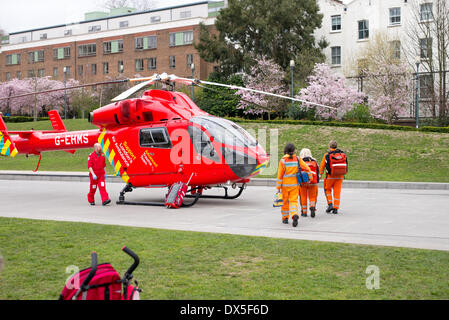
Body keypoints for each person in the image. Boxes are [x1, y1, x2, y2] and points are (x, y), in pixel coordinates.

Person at [276, 143, 313, 227]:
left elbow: (280, 175)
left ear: (285, 150)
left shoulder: (283, 160)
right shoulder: (297, 159)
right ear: (293, 150)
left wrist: (278, 187)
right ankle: (294, 214)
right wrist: (310, 178)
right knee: (294, 201)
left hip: (285, 185)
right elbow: (307, 168)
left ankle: (285, 218)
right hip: (295, 185)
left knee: (285, 202)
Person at [319, 140, 347, 214]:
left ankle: (330, 204)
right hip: (340, 176)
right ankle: (336, 208)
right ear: (336, 146)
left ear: (329, 146)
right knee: (337, 191)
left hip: (330, 176)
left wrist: (320, 174)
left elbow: (322, 166)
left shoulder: (327, 154)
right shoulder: (342, 154)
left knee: (327, 189)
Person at [299, 148, 319, 218]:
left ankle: (304, 212)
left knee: (303, 196)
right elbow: (317, 172)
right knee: (312, 197)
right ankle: (312, 206)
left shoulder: (300, 161)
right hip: (313, 182)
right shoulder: (314, 161)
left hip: (303, 182)